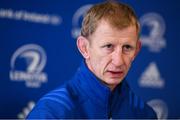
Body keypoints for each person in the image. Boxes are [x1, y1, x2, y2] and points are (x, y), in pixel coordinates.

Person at [27, 1, 157, 119]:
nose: (118, 61)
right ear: (84, 48)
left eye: (127, 47)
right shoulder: (52, 112)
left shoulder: (145, 114)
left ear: (137, 50)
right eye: (108, 46)